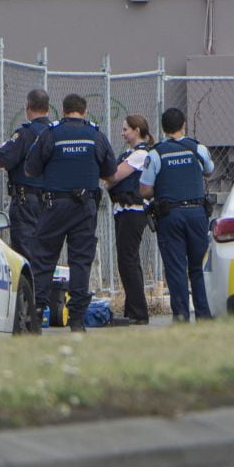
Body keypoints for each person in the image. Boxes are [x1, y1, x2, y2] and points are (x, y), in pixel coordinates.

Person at [25, 93, 118, 332]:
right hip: (85, 206)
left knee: (44, 258)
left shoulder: (50, 134)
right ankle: (76, 320)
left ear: (63, 111)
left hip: (54, 205)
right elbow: (111, 173)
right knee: (80, 262)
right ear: (84, 112)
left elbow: (31, 169)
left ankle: (36, 316)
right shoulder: (96, 135)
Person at [139, 108, 214, 323]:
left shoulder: (156, 153)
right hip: (197, 213)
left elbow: (145, 190)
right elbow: (209, 170)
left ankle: (181, 315)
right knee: (197, 266)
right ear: (183, 125)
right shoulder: (197, 148)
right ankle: (203, 315)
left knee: (176, 268)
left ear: (163, 128)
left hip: (170, 215)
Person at [104, 115, 155, 325]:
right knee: (127, 260)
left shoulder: (140, 154)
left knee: (128, 260)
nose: (123, 133)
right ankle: (131, 310)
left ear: (136, 130)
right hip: (123, 211)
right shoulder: (129, 154)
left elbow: (113, 176)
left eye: (126, 129)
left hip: (132, 211)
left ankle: (138, 312)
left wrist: (109, 179)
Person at [0, 88, 52, 262]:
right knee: (45, 250)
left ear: (27, 106)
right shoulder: (55, 133)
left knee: (24, 252)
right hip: (51, 202)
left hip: (26, 201)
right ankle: (43, 287)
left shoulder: (25, 134)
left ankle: (29, 288)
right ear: (47, 108)